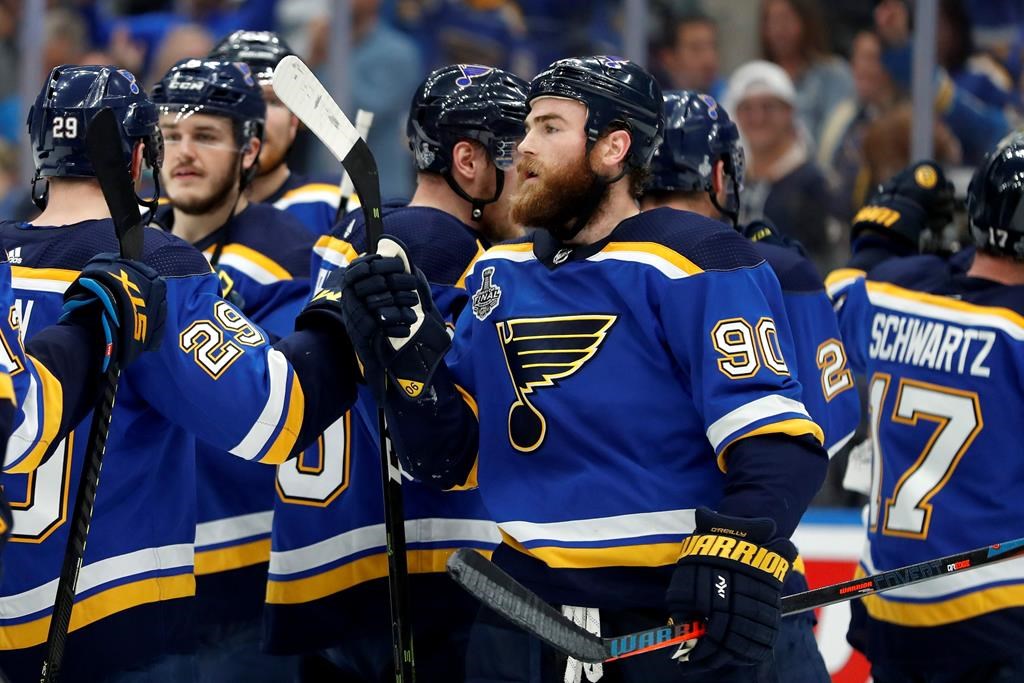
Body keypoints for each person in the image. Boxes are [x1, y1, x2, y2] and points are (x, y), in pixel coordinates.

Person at [341, 55, 829, 683]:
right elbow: (446, 458)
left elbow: (775, 441)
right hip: (521, 616)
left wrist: (739, 547)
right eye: (524, 130)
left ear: (612, 148)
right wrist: (405, 360)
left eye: (549, 127)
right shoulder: (498, 273)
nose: (523, 149)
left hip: (665, 616)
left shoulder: (693, 260)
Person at [0, 64, 358, 682]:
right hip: (114, 626)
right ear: (144, 152)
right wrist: (339, 318)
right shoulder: (151, 265)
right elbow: (277, 415)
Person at [265, 63, 527, 682]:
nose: (530, 174)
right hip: (422, 577)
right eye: (518, 154)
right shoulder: (447, 248)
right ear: (469, 162)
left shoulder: (353, 232)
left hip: (331, 563)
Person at [641, 88, 861, 681]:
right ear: (719, 172)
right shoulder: (771, 269)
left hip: (621, 587)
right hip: (750, 575)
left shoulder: (594, 264)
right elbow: (826, 429)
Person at [828, 139, 1024, 681]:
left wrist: (880, 230)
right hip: (996, 608)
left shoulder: (895, 292)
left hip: (890, 603)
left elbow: (838, 293)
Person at [148, 57, 315, 681]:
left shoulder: (289, 254)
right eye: (170, 136)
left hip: (243, 582)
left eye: (207, 136)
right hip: (137, 583)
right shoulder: (125, 250)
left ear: (249, 149)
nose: (183, 153)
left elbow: (275, 414)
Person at [209, 30, 343, 236]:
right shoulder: (161, 214)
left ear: (296, 119)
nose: (256, 116)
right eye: (235, 97)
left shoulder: (337, 207)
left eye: (272, 101)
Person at [724, 59, 837, 273]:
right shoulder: (732, 182)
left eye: (768, 107)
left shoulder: (813, 184)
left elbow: (823, 261)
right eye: (747, 109)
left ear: (789, 112)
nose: (758, 118)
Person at [759, 0, 854, 144]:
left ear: (805, 22)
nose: (779, 29)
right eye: (773, 21)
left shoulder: (833, 74)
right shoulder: (757, 80)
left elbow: (840, 132)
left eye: (786, 19)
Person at [656, 10, 724, 102]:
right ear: (669, 58)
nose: (709, 59)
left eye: (713, 47)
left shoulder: (728, 98)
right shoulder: (653, 107)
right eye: (697, 48)